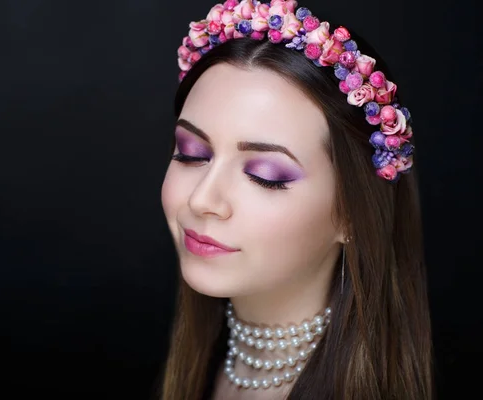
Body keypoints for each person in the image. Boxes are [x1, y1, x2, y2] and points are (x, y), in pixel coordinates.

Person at [158, 0, 432, 399]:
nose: (203, 200)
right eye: (191, 153)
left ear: (351, 215)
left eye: (264, 176)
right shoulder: (198, 367)